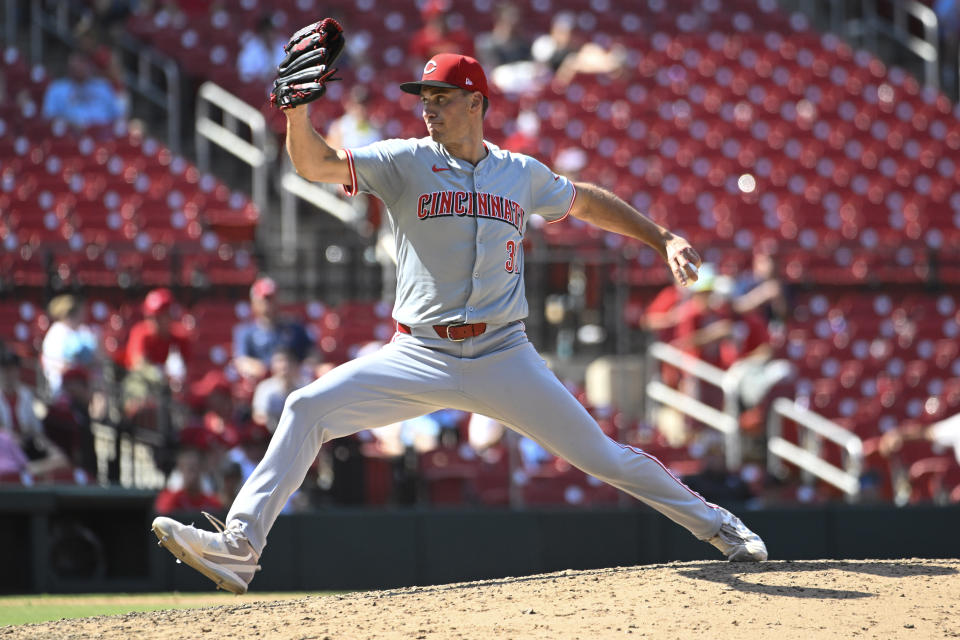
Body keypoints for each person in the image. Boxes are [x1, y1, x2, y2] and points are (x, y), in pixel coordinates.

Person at [153, 51, 766, 595]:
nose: (429, 109)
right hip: (419, 354)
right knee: (305, 408)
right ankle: (241, 546)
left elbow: (584, 200)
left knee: (603, 456)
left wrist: (660, 239)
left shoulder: (519, 173)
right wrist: (295, 116)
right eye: (424, 99)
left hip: (505, 355)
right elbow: (316, 166)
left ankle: (720, 524)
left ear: (476, 102)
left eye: (441, 98)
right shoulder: (404, 161)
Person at [232, 277, 313, 382]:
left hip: (295, 382)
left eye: (272, 298)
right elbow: (242, 361)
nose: (269, 304)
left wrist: (300, 368)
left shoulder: (295, 327)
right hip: (262, 384)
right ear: (254, 302)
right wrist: (268, 370)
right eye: (265, 299)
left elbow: (312, 354)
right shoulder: (246, 332)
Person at [41, 53, 126, 129]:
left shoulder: (103, 86)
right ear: (70, 64)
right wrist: (68, 123)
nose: (80, 66)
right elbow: (48, 119)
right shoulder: (57, 88)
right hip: (70, 138)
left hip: (103, 138)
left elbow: (118, 117)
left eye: (84, 62)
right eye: (78, 61)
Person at [43, 366, 99, 481]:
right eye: (86, 386)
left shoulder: (80, 410)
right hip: (65, 472)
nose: (90, 391)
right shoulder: (63, 411)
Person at [41, 294, 99, 396]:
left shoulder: (81, 331)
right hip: (63, 386)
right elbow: (59, 366)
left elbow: (96, 358)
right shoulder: (56, 333)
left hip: (83, 382)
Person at [251, 347, 305, 433]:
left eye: (288, 361)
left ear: (295, 364)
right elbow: (258, 415)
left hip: (298, 433)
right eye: (279, 361)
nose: (284, 365)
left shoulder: (304, 388)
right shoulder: (265, 388)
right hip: (270, 436)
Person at [154, 447, 224, 514]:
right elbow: (162, 514)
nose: (191, 472)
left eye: (194, 467)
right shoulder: (169, 497)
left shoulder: (211, 502)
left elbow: (218, 514)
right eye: (187, 467)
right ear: (180, 469)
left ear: (202, 468)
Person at [238, 14, 286, 83]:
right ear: (262, 32)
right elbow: (244, 75)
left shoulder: (284, 45)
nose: (271, 34)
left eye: (273, 31)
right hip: (257, 89)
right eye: (268, 31)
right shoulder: (251, 48)